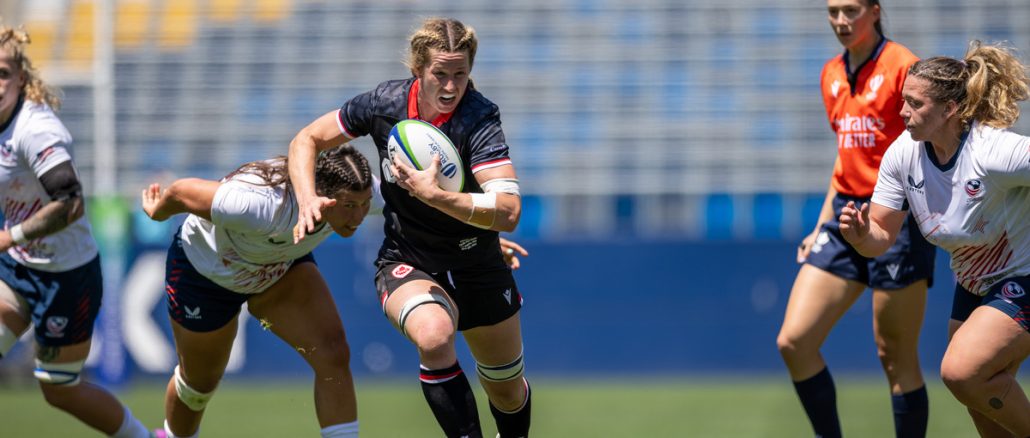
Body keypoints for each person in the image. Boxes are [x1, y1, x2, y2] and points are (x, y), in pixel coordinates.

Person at [288, 17, 531, 438]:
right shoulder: (384, 104)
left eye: (461, 73)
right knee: (434, 336)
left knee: (506, 390)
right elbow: (307, 139)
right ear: (418, 68)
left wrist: (436, 196)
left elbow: (508, 210)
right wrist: (307, 197)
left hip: (478, 261)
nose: (451, 86)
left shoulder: (479, 119)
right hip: (409, 259)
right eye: (440, 73)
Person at [841, 41, 1030, 437]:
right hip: (974, 284)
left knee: (961, 372)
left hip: (1024, 277)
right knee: (983, 405)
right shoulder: (902, 155)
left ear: (950, 109)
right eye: (903, 101)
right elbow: (880, 237)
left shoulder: (992, 151)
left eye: (915, 104)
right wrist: (861, 236)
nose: (903, 112)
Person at [775, 1, 937, 437]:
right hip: (846, 214)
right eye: (833, 11)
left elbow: (933, 141)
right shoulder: (830, 73)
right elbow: (845, 157)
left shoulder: (904, 66)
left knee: (895, 359)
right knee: (794, 341)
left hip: (896, 216)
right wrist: (817, 227)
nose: (841, 21)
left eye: (851, 10)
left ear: (875, 10)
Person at [140, 146, 374, 438]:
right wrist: (156, 212)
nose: (360, 215)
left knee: (332, 354)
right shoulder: (257, 205)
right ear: (322, 199)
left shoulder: (358, 191)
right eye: (350, 206)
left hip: (278, 268)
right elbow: (181, 191)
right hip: (205, 275)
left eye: (365, 204)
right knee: (198, 388)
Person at [0, 26, 152, 437]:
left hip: (67, 276)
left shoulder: (35, 130)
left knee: (58, 388)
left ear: (21, 79)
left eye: (2, 73)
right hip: (16, 269)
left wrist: (9, 236)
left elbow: (70, 202)